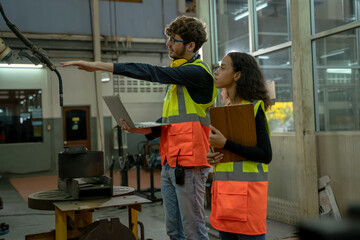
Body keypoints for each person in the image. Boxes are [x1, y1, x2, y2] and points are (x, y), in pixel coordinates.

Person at [61, 16, 217, 240]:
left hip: (190, 165)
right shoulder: (179, 80)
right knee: (174, 230)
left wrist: (98, 65)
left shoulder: (197, 73)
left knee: (194, 231)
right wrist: (140, 130)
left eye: (173, 40)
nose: (168, 44)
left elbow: (150, 72)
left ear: (191, 45)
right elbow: (172, 123)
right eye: (168, 39)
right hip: (169, 161)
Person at [206, 52, 272, 240]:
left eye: (223, 67)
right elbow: (225, 157)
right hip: (224, 201)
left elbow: (265, 155)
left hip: (248, 203)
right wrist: (210, 157)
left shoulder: (254, 109)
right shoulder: (223, 110)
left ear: (237, 75)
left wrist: (226, 143)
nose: (216, 72)